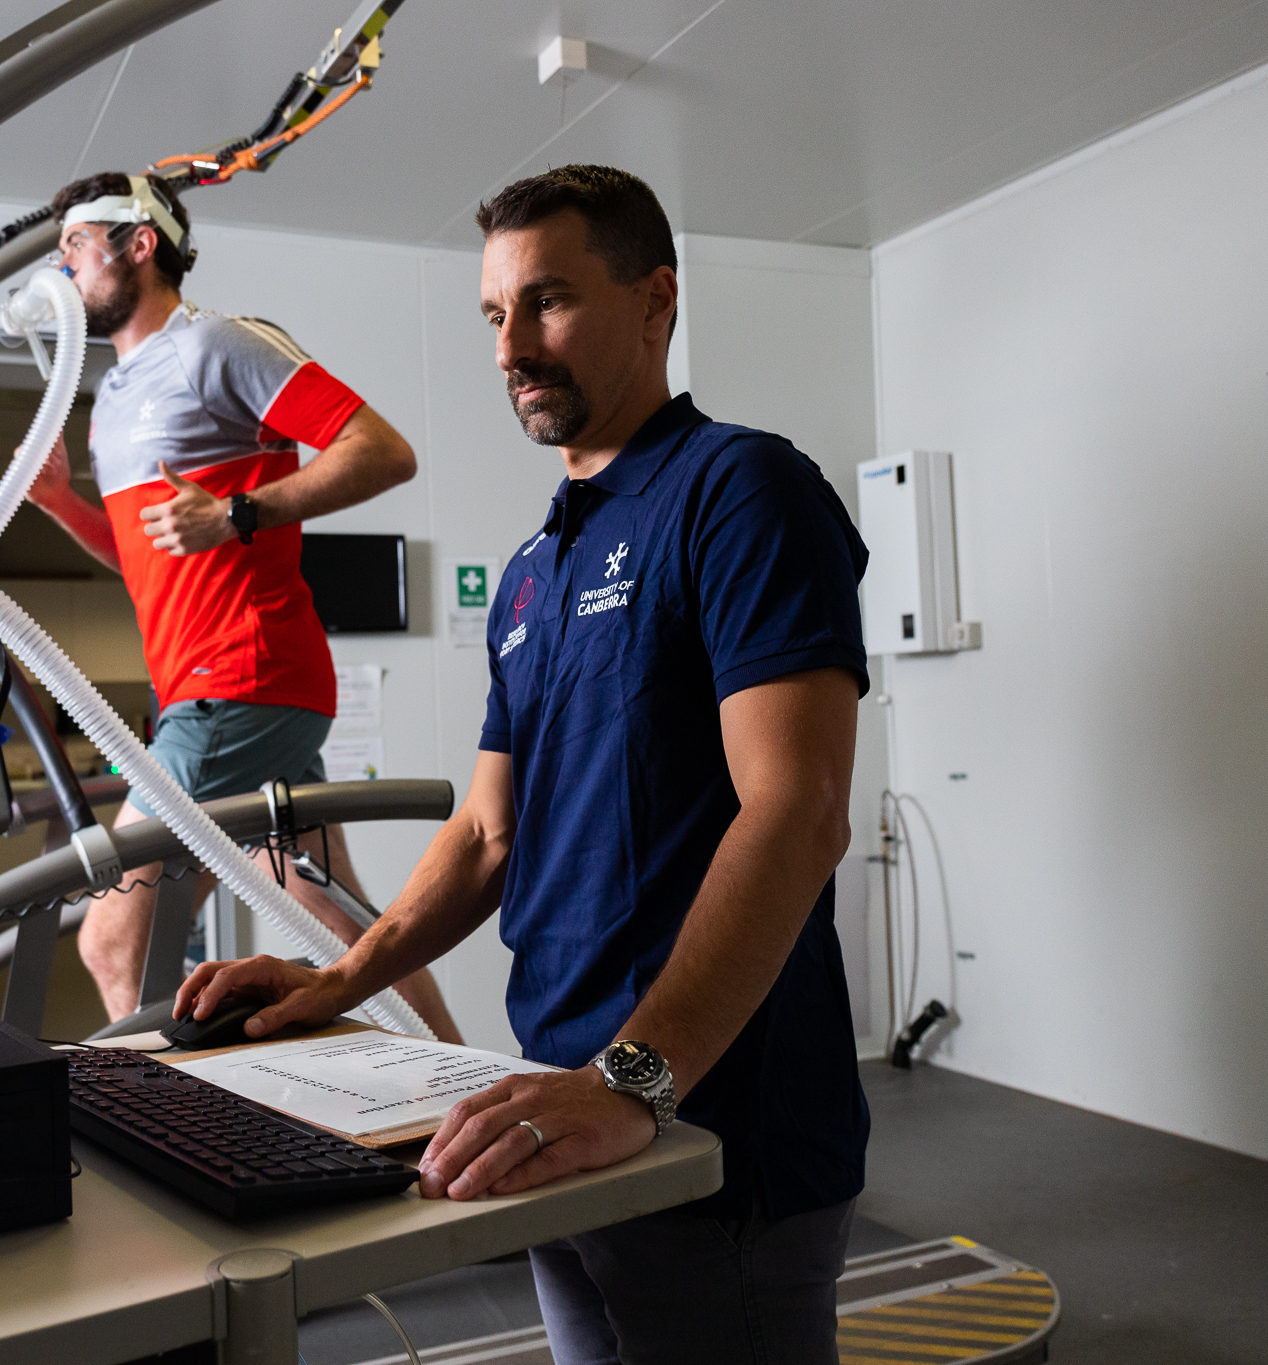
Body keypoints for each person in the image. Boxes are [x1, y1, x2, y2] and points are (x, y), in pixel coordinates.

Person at [177, 164, 871, 1363]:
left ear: (655, 301)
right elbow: (488, 834)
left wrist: (633, 1082)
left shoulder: (738, 492)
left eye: (547, 302)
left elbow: (795, 810)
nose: (512, 346)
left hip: (708, 1123)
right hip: (551, 1100)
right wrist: (334, 982)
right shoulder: (531, 573)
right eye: (496, 315)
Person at [23, 170, 461, 1043]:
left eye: (75, 242)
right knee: (339, 925)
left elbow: (383, 450)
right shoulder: (109, 402)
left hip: (240, 680)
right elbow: (152, 555)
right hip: (220, 687)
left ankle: (178, 1125)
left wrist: (238, 511)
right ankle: (461, 1073)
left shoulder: (216, 346)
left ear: (139, 243)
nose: (60, 264)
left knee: (114, 942)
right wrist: (65, 505)